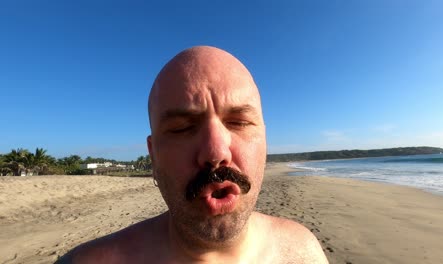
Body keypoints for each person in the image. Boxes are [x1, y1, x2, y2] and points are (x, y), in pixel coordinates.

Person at [56, 46, 328, 263]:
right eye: (183, 128)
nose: (215, 153)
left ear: (265, 142)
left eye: (239, 122)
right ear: (153, 156)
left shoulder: (302, 252)